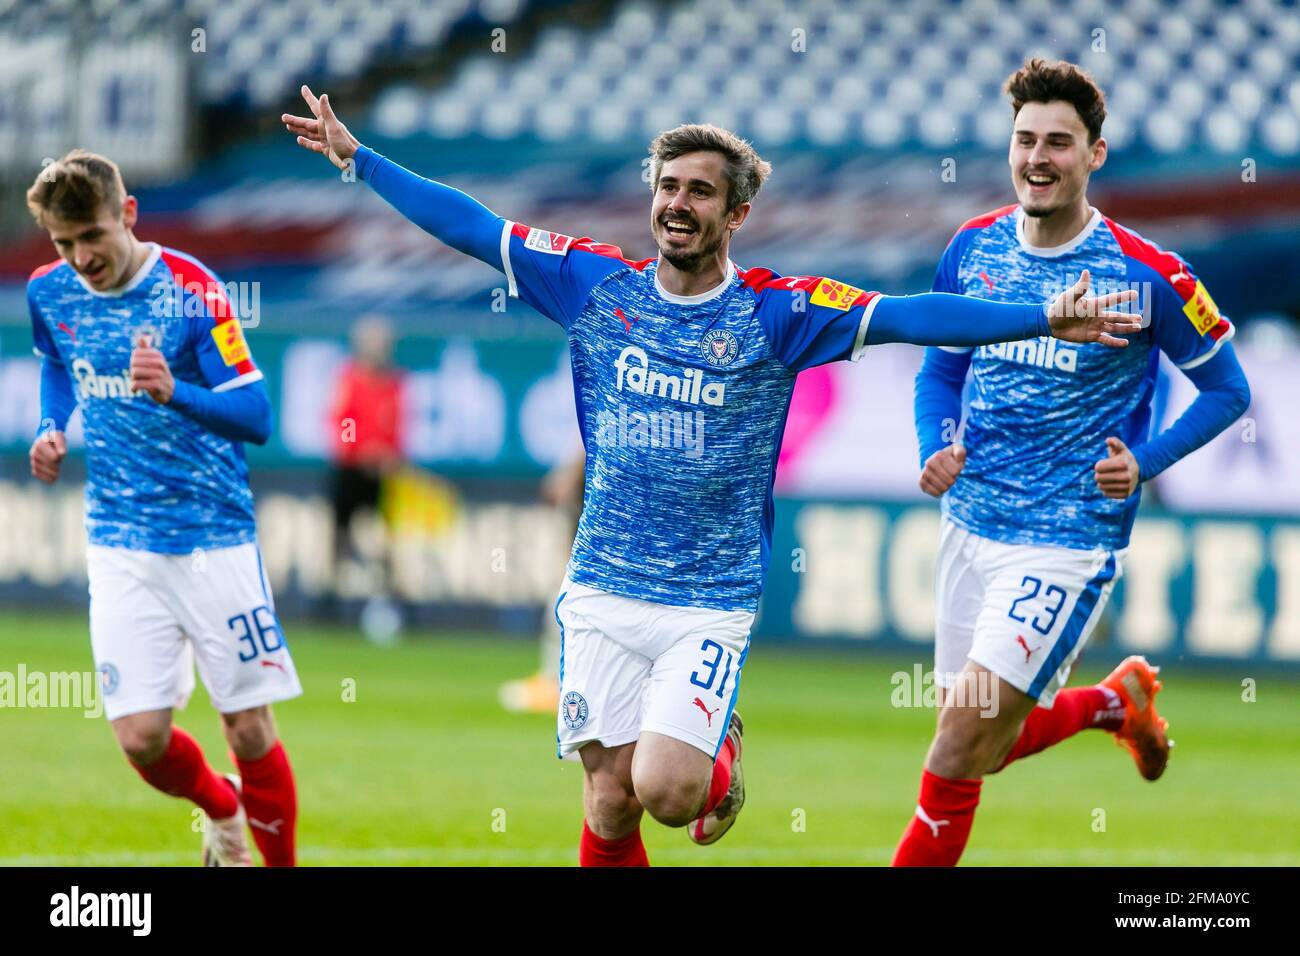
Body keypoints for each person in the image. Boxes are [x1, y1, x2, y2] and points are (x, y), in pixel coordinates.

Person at [283, 86, 1138, 865]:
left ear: (737, 212)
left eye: (698, 192)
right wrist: (360, 160)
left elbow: (913, 316)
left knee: (667, 791)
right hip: (601, 590)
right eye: (666, 187)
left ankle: (718, 748)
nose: (676, 205)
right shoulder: (593, 286)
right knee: (609, 801)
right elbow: (469, 225)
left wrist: (1041, 314)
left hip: (707, 601)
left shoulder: (779, 312)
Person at [897, 58, 1251, 867]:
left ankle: (1104, 705)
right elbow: (941, 364)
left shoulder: (1148, 275)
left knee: (956, 746)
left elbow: (1228, 391)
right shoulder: (974, 248)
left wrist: (1148, 462)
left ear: (1096, 153)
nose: (1038, 158)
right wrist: (933, 444)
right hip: (969, 523)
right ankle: (1110, 705)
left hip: (1065, 539)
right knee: (976, 748)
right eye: (1025, 140)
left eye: (1059, 142)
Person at [26, 149, 302, 867]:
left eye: (92, 236)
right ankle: (222, 808)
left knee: (248, 728)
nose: (81, 257)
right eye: (64, 243)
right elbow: (58, 361)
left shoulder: (192, 292)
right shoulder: (48, 292)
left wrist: (174, 391)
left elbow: (256, 412)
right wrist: (52, 426)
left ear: (127, 214)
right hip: (119, 541)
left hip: (214, 536)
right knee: (141, 739)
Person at [327, 313, 406, 640]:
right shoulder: (349, 380)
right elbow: (340, 424)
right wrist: (361, 451)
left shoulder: (395, 384)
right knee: (340, 537)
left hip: (381, 474)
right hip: (351, 470)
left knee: (384, 541)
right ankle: (333, 602)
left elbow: (397, 428)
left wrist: (389, 456)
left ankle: (387, 601)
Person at [499, 447, 585, 715]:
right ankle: (558, 678)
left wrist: (568, 473)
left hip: (603, 484)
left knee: (571, 584)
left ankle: (558, 680)